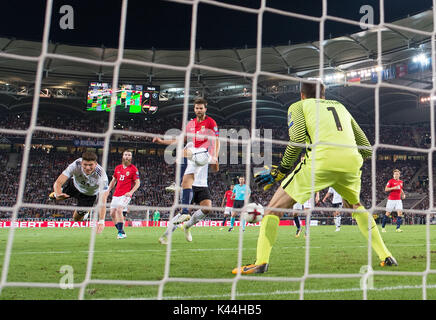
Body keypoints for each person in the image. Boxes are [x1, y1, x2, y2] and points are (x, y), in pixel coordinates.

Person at [232, 81, 397, 275]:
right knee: (355, 206)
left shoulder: (299, 106)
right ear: (324, 95)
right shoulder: (341, 106)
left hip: (321, 160)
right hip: (352, 162)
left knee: (272, 210)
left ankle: (261, 263)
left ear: (302, 95)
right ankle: (386, 255)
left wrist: (281, 171)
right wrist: (345, 168)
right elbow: (367, 149)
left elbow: (297, 141)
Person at [153, 97, 220, 230]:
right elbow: (179, 139)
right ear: (194, 109)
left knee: (185, 154)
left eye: (201, 108)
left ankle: (179, 186)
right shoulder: (190, 124)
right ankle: (179, 186)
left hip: (203, 153)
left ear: (205, 109)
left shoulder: (211, 122)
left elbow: (216, 140)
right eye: (197, 108)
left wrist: (215, 156)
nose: (199, 110)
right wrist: (162, 142)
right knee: (184, 152)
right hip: (193, 155)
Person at [49, 151, 109, 234]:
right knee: (59, 196)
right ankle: (57, 194)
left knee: (76, 219)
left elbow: (103, 200)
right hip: (74, 187)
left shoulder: (102, 176)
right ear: (81, 163)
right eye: (85, 165)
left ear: (95, 164)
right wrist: (58, 194)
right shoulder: (75, 165)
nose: (88, 168)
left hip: (89, 196)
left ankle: (85, 212)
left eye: (91, 165)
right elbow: (58, 182)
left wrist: (101, 221)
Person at [107, 150, 140, 239]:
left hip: (126, 195)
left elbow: (138, 183)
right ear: (122, 156)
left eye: (129, 155)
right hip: (116, 194)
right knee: (112, 213)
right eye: (125, 155)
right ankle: (121, 231)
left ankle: (120, 233)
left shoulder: (133, 169)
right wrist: (108, 190)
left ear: (131, 157)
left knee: (119, 209)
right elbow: (113, 181)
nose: (127, 156)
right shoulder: (118, 168)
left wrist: (131, 192)